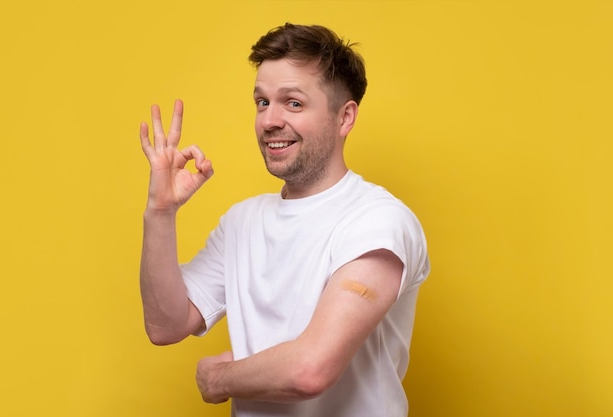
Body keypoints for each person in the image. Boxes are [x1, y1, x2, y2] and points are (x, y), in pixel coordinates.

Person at [139, 23, 430, 417]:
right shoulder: (241, 222)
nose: (269, 121)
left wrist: (219, 378)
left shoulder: (379, 222)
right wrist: (160, 212)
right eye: (262, 102)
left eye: (293, 103)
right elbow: (165, 325)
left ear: (344, 118)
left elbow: (310, 370)